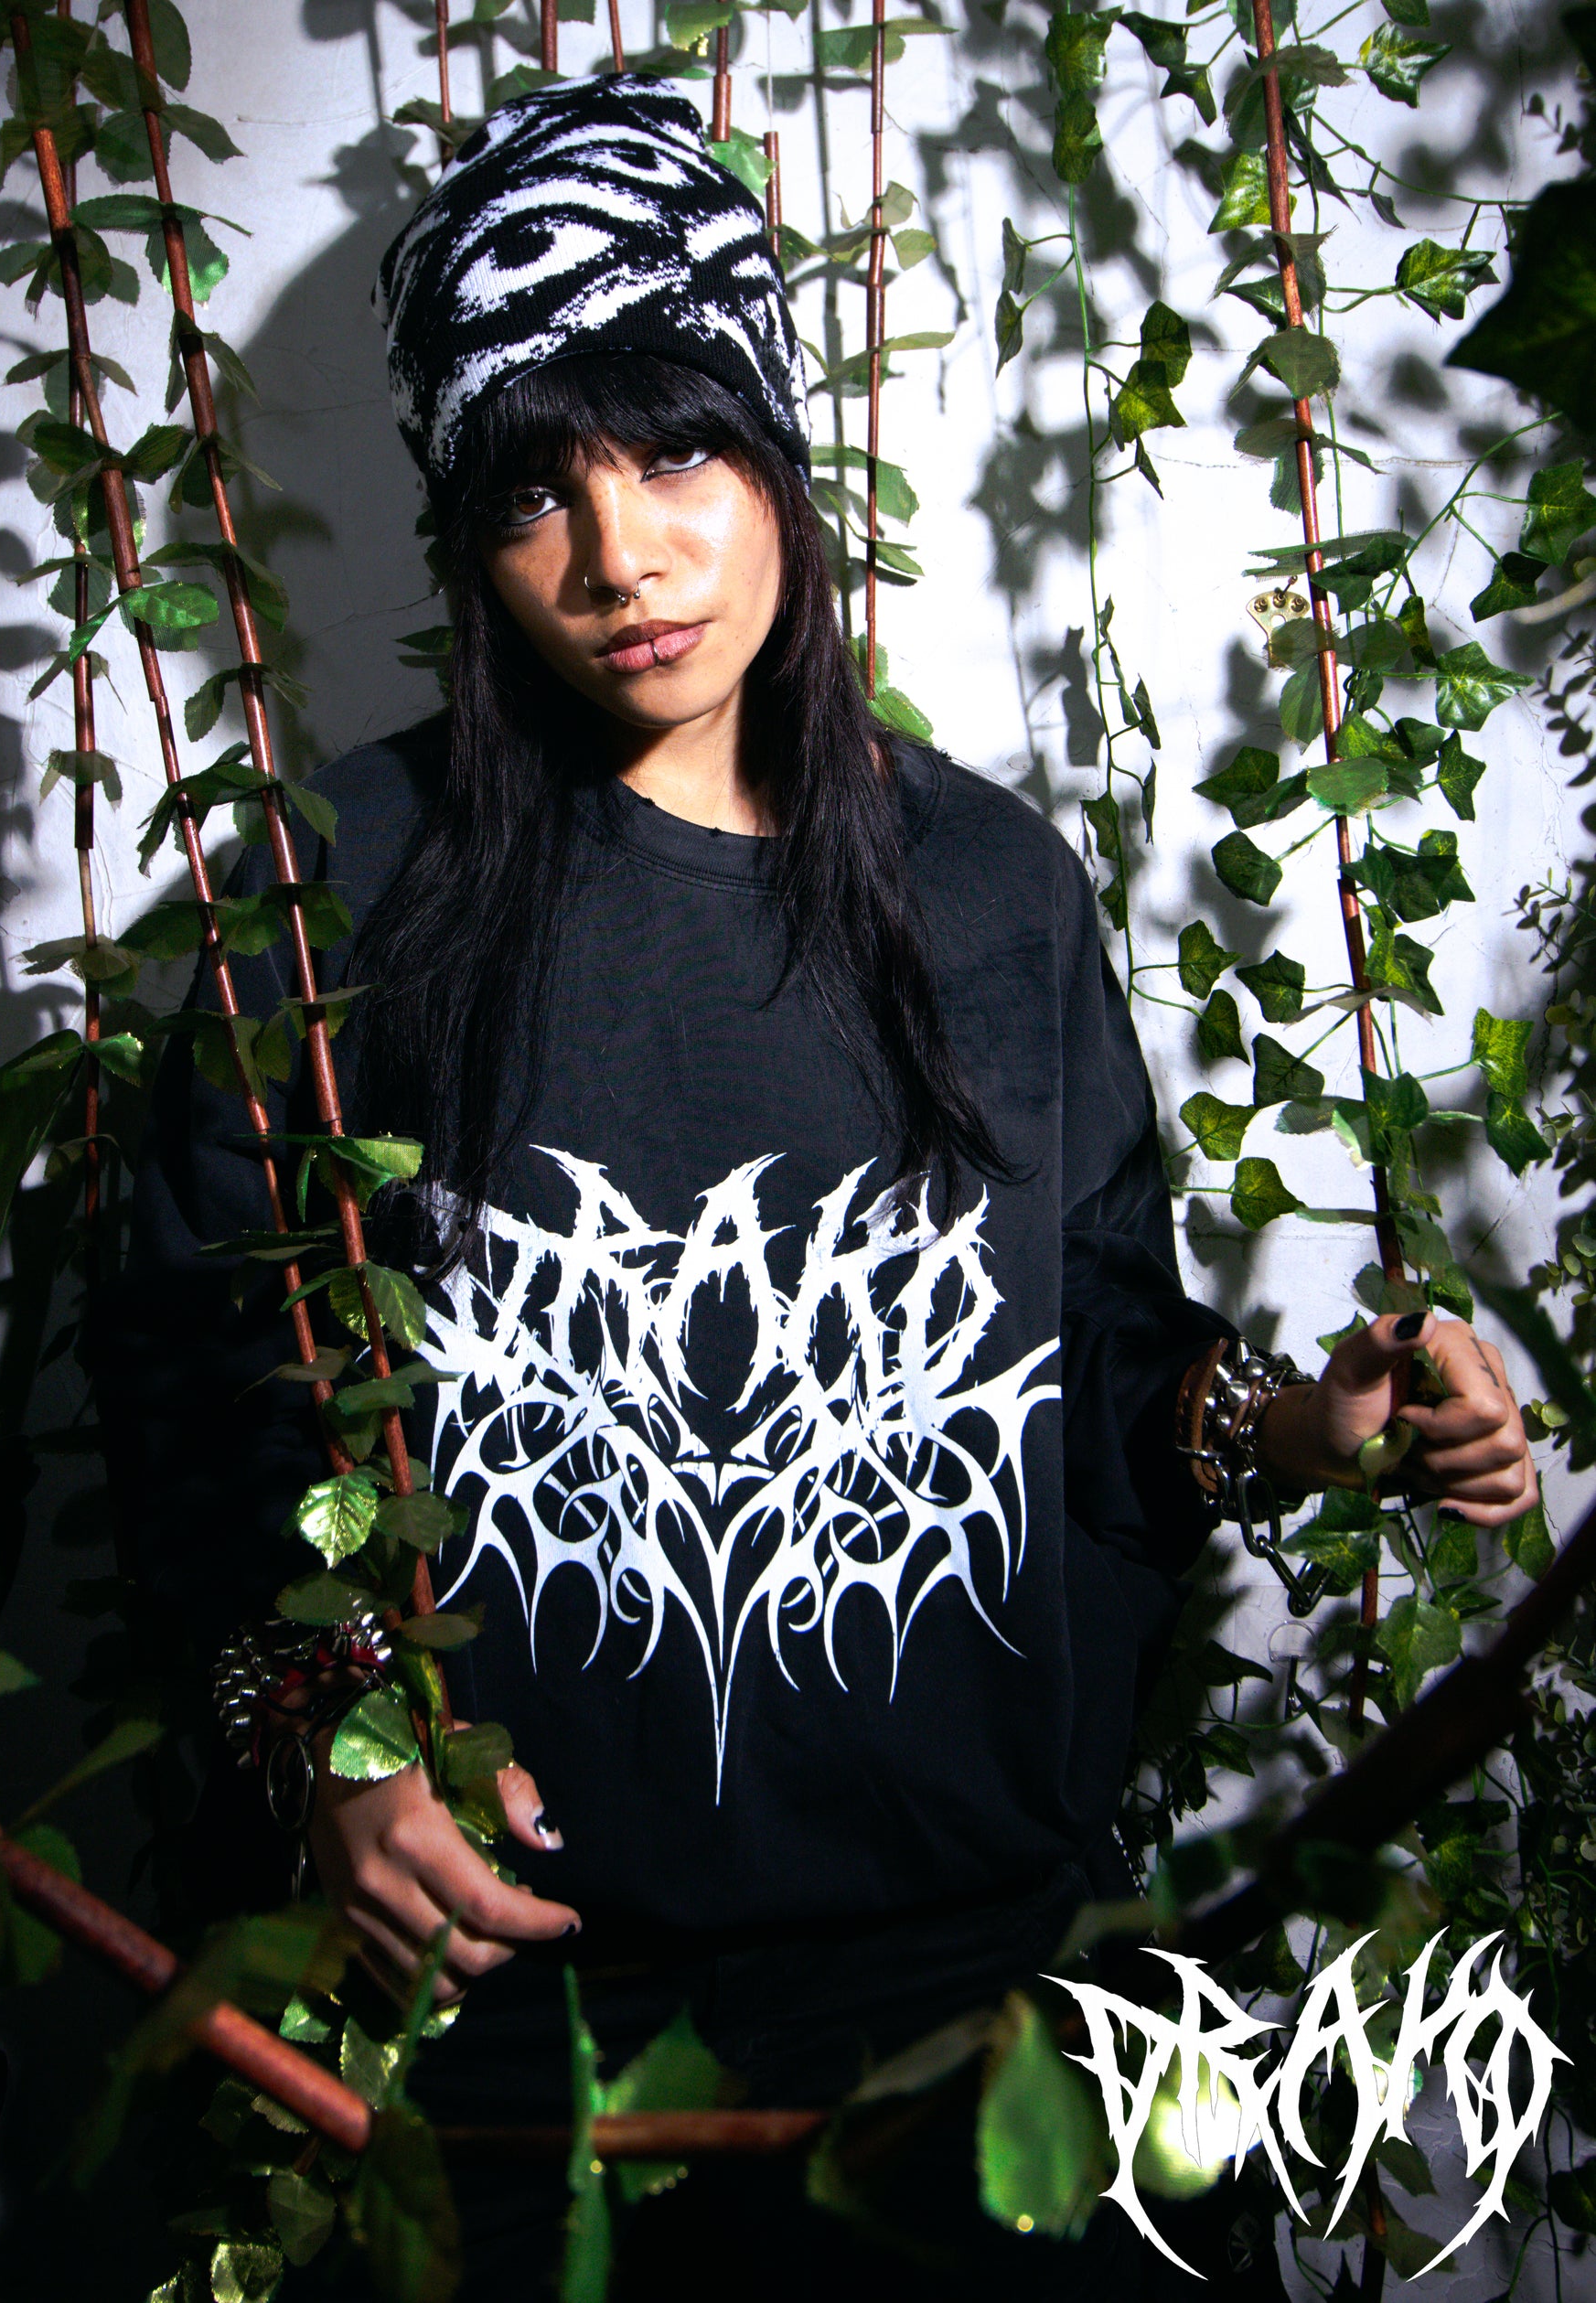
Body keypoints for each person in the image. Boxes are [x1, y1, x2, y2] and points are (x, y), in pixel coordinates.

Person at [97, 74, 1538, 2301]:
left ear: (775, 447)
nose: (621, 557)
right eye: (533, 487)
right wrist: (330, 1744)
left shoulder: (989, 890)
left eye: (676, 450)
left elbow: (1091, 1364)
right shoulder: (325, 901)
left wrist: (1299, 1422)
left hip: (988, 1983)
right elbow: (208, 1430)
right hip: (526, 2033)